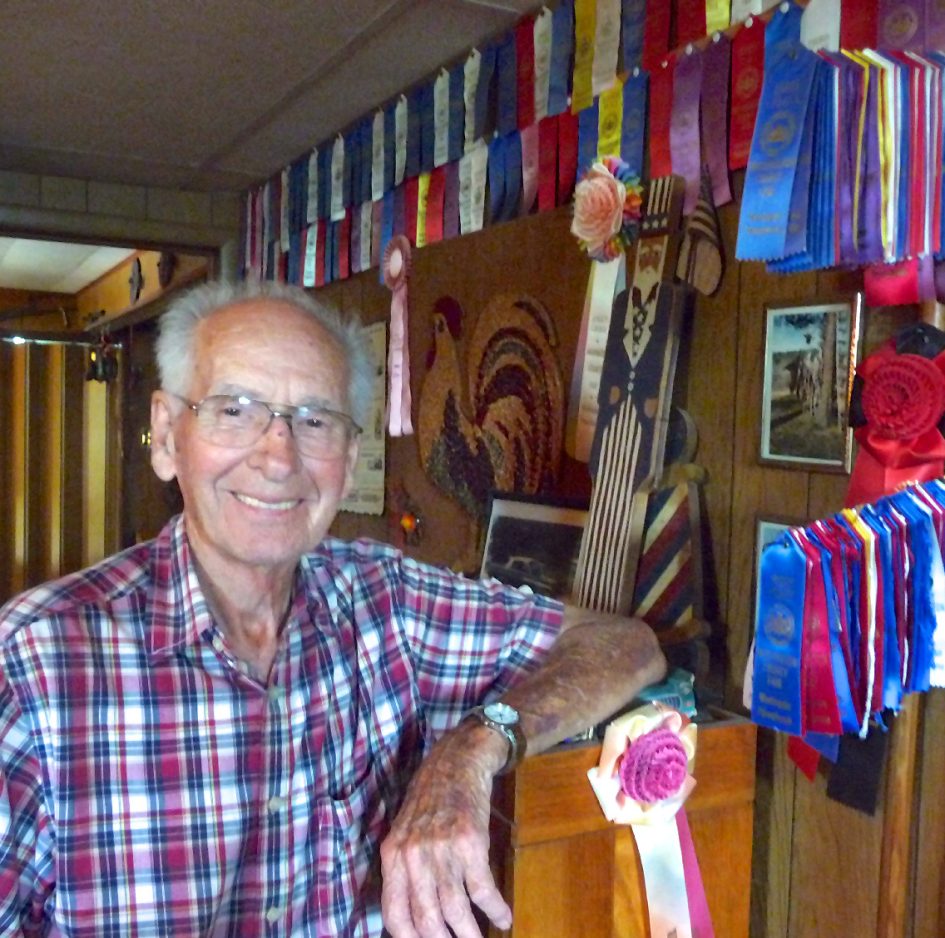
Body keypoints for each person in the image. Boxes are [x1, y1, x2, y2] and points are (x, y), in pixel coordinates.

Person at [0, 280, 666, 937]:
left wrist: (472, 749)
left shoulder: (387, 601)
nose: (277, 456)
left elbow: (626, 646)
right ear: (169, 436)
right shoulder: (34, 664)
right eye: (236, 409)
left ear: (348, 462)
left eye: (314, 420)